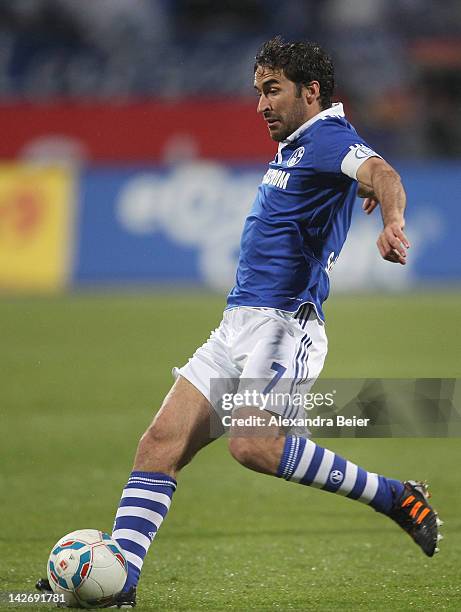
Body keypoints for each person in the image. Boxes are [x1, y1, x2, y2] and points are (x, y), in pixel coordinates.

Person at [37, 36, 442, 608]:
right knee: (159, 444)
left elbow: (382, 171)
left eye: (273, 90)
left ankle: (396, 497)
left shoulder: (329, 138)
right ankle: (121, 580)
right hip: (236, 325)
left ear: (312, 91)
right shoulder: (301, 145)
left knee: (254, 445)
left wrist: (391, 218)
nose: (261, 104)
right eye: (258, 91)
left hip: (284, 326)